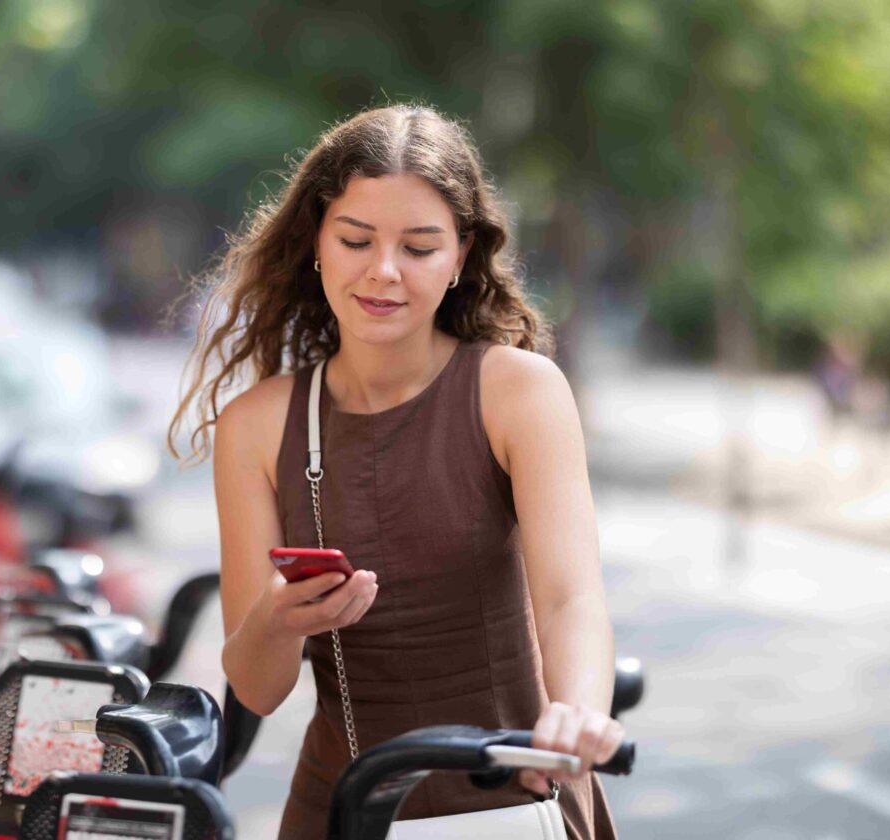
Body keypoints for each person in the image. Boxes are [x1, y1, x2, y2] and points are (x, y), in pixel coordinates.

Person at [169, 103, 621, 840]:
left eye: (419, 247)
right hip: (342, 812)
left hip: (518, 797)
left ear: (461, 256)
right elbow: (257, 686)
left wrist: (578, 713)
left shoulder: (519, 391)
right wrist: (278, 621)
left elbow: (571, 598)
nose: (383, 272)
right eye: (355, 239)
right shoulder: (255, 425)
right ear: (318, 238)